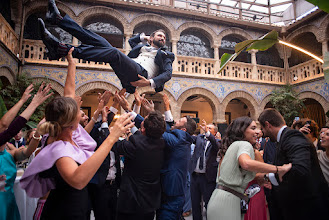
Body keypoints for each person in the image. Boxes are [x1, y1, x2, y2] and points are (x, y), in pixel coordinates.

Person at [20, 47, 134, 220]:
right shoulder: (57, 147)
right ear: (71, 121)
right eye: (78, 111)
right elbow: (78, 179)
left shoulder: (69, 133)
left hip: (79, 204)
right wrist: (112, 137)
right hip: (64, 210)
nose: (82, 112)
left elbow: (69, 93)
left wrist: (72, 64)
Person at [39, 0, 174, 94]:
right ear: (151, 38)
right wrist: (145, 38)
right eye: (159, 36)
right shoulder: (141, 48)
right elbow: (132, 41)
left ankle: (63, 49)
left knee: (114, 52)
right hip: (128, 67)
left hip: (140, 74)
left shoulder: (166, 55)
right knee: (100, 41)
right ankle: (58, 20)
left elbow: (167, 74)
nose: (162, 38)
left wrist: (149, 83)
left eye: (164, 38)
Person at [207, 116, 291, 220]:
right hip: (228, 201)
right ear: (241, 130)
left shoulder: (232, 146)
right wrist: (278, 169)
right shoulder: (244, 144)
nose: (258, 131)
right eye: (253, 128)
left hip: (220, 198)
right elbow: (246, 163)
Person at [258, 108, 329, 220]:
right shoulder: (284, 138)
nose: (263, 132)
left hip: (307, 209)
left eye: (262, 128)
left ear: (268, 125)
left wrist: (267, 177)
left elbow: (300, 169)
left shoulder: (292, 136)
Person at [0, 83, 53, 220]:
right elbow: (6, 126)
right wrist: (30, 103)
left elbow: (28, 152)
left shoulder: (10, 154)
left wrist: (38, 132)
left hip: (9, 206)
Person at [112, 110, 166, 220]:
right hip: (150, 201)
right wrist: (129, 133)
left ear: (143, 129)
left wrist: (112, 128)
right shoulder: (161, 142)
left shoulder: (135, 144)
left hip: (131, 202)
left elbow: (114, 145)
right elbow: (141, 140)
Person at [190, 121, 220, 220]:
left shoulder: (218, 142)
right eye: (206, 127)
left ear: (215, 132)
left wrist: (208, 133)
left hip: (207, 178)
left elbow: (216, 146)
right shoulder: (199, 138)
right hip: (195, 176)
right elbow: (189, 138)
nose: (206, 129)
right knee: (195, 203)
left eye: (209, 128)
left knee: (209, 204)